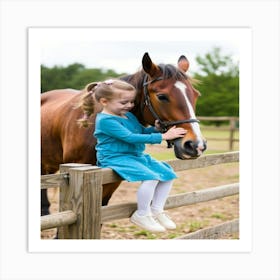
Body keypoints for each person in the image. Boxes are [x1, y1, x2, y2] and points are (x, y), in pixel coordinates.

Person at [80, 79, 186, 232]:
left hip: (135, 155)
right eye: (124, 102)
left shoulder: (128, 116)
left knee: (168, 173)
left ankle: (157, 209)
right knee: (151, 177)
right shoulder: (105, 120)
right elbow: (130, 137)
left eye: (131, 102)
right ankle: (142, 213)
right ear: (104, 101)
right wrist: (164, 137)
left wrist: (155, 130)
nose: (129, 106)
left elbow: (141, 132)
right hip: (115, 157)